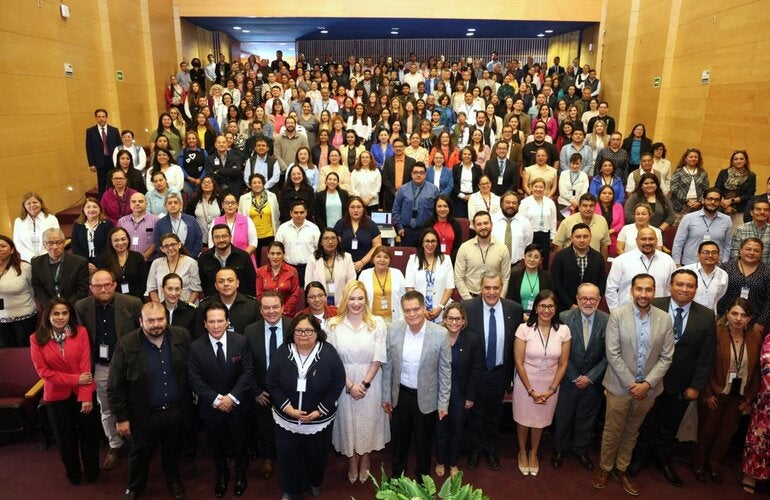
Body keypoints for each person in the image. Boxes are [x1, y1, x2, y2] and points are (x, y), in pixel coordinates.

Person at [630, 270, 717, 486]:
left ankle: (663, 460)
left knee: (670, 426)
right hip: (649, 379)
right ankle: (639, 458)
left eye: (689, 286)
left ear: (695, 290)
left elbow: (706, 356)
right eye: (680, 284)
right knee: (646, 422)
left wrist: (696, 386)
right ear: (670, 285)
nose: (684, 289)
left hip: (681, 384)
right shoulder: (653, 305)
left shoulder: (706, 316)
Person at [592, 274, 674, 497]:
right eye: (639, 289)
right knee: (612, 430)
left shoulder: (664, 319)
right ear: (632, 291)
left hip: (648, 390)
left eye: (648, 290)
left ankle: (622, 468)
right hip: (619, 387)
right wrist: (632, 384)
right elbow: (613, 352)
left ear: (654, 291)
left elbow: (666, 357)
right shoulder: (618, 315)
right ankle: (605, 468)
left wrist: (646, 384)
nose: (643, 294)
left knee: (632, 431)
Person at [108, 302, 192, 500]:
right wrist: (121, 418)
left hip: (174, 410)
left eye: (160, 319)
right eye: (150, 320)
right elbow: (114, 385)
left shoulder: (182, 337)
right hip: (143, 413)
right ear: (141, 321)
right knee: (140, 453)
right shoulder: (126, 344)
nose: (156, 324)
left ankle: (174, 481)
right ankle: (135, 487)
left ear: (167, 319)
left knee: (172, 450)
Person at [266, 313, 346, 499]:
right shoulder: (283, 351)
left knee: (316, 457)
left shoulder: (328, 353)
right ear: (292, 333)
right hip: (287, 420)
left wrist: (319, 411)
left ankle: (314, 482)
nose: (303, 334)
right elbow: (271, 382)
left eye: (308, 330)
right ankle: (289, 489)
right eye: (299, 330)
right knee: (287, 458)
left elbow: (338, 383)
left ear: (317, 333)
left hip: (318, 422)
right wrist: (288, 409)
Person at [74, 269, 143, 470]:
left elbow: (141, 335)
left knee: (134, 404)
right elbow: (80, 340)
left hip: (129, 365)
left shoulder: (132, 303)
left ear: (114, 284)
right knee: (106, 408)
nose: (103, 289)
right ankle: (115, 444)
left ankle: (137, 441)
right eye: (97, 286)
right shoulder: (81, 306)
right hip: (101, 366)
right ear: (91, 288)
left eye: (107, 285)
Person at [382, 291, 451, 480]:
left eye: (416, 309)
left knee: (423, 444)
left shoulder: (440, 333)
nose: (412, 314)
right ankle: (397, 477)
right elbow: (387, 366)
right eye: (407, 310)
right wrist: (386, 396)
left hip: (427, 398)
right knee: (399, 442)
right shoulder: (393, 329)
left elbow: (445, 372)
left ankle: (422, 480)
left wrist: (443, 403)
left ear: (424, 308)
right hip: (401, 396)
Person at [30, 298, 100, 485]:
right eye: (56, 313)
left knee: (89, 436)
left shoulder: (81, 332)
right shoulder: (36, 339)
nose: (61, 317)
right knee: (64, 440)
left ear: (70, 315)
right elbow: (43, 372)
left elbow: (86, 365)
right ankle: (73, 473)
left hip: (83, 394)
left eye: (65, 313)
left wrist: (86, 397)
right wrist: (75, 379)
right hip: (56, 397)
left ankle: (93, 471)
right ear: (48, 315)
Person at [325, 281, 389, 484]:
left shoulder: (377, 322)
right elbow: (332, 360)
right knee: (348, 422)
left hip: (370, 380)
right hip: (344, 382)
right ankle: (352, 460)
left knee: (369, 422)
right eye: (352, 298)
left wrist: (364, 384)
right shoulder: (332, 324)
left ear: (366, 300)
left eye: (360, 298)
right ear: (345, 299)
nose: (356, 303)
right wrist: (350, 385)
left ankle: (366, 457)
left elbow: (378, 357)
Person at [188, 301, 254, 498]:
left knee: (240, 444)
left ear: (227, 322)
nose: (216, 325)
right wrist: (217, 400)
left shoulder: (241, 341)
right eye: (211, 321)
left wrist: (232, 398)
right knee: (216, 446)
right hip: (211, 409)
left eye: (220, 321)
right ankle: (222, 475)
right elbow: (194, 379)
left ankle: (241, 475)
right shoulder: (195, 347)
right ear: (205, 324)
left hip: (238, 406)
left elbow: (248, 372)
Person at [691, 298, 758, 484]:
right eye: (734, 313)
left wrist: (750, 397)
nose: (738, 319)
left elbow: (757, 371)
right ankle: (698, 463)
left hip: (738, 397)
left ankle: (714, 465)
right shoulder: (716, 333)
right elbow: (704, 365)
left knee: (726, 434)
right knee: (707, 431)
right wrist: (707, 393)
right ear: (727, 314)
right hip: (715, 393)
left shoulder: (755, 338)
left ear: (750, 318)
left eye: (744, 315)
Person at [462, 272, 523, 471]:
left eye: (495, 288)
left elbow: (516, 343)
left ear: (501, 287)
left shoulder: (513, 309)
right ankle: (475, 450)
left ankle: (490, 450)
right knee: (475, 414)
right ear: (480, 288)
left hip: (499, 372)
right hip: (475, 373)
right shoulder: (468, 308)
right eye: (487, 287)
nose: (491, 292)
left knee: (494, 414)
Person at [512, 290, 570, 476]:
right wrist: (530, 390)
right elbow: (518, 362)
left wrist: (552, 389)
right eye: (542, 306)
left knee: (540, 420)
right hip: (525, 381)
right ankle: (522, 451)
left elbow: (563, 364)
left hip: (550, 383)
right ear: (536, 308)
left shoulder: (563, 330)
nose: (546, 310)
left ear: (555, 309)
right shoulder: (524, 329)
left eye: (550, 306)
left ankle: (534, 452)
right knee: (523, 418)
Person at [552, 283, 608, 471]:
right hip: (568, 379)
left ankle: (580, 449)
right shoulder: (564, 317)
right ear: (577, 299)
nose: (588, 302)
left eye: (592, 299)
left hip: (593, 382)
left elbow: (609, 355)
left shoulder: (608, 320)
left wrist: (590, 377)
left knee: (587, 417)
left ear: (599, 300)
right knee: (563, 417)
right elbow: (558, 350)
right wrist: (575, 376)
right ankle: (559, 449)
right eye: (584, 298)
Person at [243, 291, 291, 480]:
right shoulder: (250, 330)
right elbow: (247, 365)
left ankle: (288, 458)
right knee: (264, 426)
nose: (271, 311)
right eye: (266, 308)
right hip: (262, 390)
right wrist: (255, 390)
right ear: (260, 310)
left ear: (283, 308)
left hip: (289, 390)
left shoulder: (293, 327)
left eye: (275, 307)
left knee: (288, 426)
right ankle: (267, 457)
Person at [434, 302, 483, 477]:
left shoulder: (472, 340)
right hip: (439, 390)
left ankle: (453, 462)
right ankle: (440, 460)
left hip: (461, 392)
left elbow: (477, 370)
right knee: (440, 429)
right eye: (450, 318)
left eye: (458, 319)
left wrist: (470, 397)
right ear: (444, 319)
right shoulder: (436, 337)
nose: (454, 322)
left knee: (457, 429)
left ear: (463, 321)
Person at [605, 228, 676, 310]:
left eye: (651, 239)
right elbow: (611, 289)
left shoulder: (668, 260)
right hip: (627, 313)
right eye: (643, 239)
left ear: (657, 240)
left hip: (659, 313)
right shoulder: (621, 261)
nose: (647, 242)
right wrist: (616, 313)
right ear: (636, 240)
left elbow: (672, 288)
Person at [739, 319, 770, 495]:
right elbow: (767, 370)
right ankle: (751, 476)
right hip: (766, 407)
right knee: (759, 444)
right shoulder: (769, 340)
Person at [550, 223, 607, 312]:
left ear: (590, 237)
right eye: (578, 237)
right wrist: (570, 305)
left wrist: (592, 302)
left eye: (585, 236)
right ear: (571, 238)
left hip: (590, 307)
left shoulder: (598, 257)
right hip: (564, 308)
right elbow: (556, 283)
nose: (582, 240)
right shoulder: (561, 256)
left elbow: (602, 283)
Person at [454, 211, 511, 299]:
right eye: (479, 224)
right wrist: (469, 300)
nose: (483, 227)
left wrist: (500, 299)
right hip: (470, 298)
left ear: (491, 224)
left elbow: (505, 278)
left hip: (495, 298)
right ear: (474, 226)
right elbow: (458, 278)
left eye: (486, 223)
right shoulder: (464, 248)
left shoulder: (502, 249)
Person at [671, 188, 732, 266]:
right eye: (710, 199)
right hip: (690, 264)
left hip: (716, 265)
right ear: (703, 200)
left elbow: (728, 245)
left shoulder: (726, 220)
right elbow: (678, 242)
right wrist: (676, 263)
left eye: (716, 200)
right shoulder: (689, 218)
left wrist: (724, 264)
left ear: (720, 202)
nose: (713, 202)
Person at [404, 228, 455, 322]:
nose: (430, 244)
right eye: (427, 241)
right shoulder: (413, 260)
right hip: (418, 311)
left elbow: (450, 287)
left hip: (441, 310)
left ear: (437, 243)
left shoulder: (446, 260)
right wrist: (422, 309)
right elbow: (409, 287)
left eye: (433, 241)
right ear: (422, 243)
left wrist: (440, 308)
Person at [717, 238, 770, 327]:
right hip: (725, 319)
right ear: (740, 250)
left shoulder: (767, 272)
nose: (751, 253)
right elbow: (717, 293)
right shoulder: (726, 268)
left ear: (761, 254)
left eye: (756, 250)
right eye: (748, 249)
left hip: (754, 321)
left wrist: (761, 323)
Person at [194, 267, 260, 338]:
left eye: (230, 280)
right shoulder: (205, 306)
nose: (226, 284)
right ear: (216, 286)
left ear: (237, 283)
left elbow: (256, 333)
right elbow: (200, 334)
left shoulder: (252, 305)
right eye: (221, 281)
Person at [31, 228, 89, 306]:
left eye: (58, 242)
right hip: (49, 309)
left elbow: (82, 290)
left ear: (64, 243)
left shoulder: (79, 262)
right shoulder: (37, 263)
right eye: (50, 243)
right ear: (44, 244)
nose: (55, 247)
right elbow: (38, 289)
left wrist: (66, 307)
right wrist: (51, 306)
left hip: (73, 308)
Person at [198, 224, 257, 299]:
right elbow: (203, 285)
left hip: (240, 303)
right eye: (217, 237)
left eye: (224, 236)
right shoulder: (204, 258)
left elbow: (252, 283)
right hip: (214, 304)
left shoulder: (243, 256)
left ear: (230, 237)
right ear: (212, 239)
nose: (221, 240)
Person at [0, 235, 36, 347]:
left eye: (3, 246)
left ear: (12, 250)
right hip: (1, 320)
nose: (0, 249)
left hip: (25, 317)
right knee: (6, 354)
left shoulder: (24, 267)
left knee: (23, 352)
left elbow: (33, 288)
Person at [146, 233, 202, 304]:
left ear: (179, 245)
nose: (170, 248)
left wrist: (188, 308)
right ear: (162, 249)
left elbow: (196, 290)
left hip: (187, 306)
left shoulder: (191, 263)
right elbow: (152, 289)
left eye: (173, 244)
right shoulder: (156, 263)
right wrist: (160, 308)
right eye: (166, 246)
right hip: (163, 308)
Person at [304, 229, 356, 306]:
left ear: (338, 241)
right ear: (321, 242)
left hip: (343, 303)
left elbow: (351, 283)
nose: (330, 241)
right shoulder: (313, 259)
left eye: (333, 238)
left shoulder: (347, 257)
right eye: (326, 238)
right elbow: (308, 285)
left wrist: (341, 304)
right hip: (318, 304)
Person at [274, 200, 321, 285]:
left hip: (309, 267)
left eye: (301, 212)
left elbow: (319, 249)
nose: (299, 215)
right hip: (288, 267)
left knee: (308, 293)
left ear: (306, 212)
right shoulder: (283, 228)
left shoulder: (314, 228)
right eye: (296, 212)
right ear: (291, 213)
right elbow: (277, 248)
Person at [392, 162, 439, 247]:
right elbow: (396, 210)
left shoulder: (434, 190)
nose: (418, 175)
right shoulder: (402, 189)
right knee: (407, 256)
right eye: (415, 172)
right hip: (407, 230)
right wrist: (399, 226)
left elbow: (437, 211)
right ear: (411, 174)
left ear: (425, 174)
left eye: (421, 173)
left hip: (426, 231)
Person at [553, 193, 611, 259]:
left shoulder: (602, 221)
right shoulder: (567, 221)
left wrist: (602, 265)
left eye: (591, 206)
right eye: (585, 205)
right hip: (571, 263)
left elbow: (604, 246)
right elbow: (558, 244)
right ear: (579, 207)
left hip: (594, 263)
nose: (588, 209)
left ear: (595, 207)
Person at [239, 173, 281, 264]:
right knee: (255, 262)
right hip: (252, 235)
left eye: (259, 182)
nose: (257, 185)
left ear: (263, 184)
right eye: (254, 183)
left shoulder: (272, 196)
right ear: (250, 185)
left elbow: (277, 215)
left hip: (269, 234)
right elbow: (241, 217)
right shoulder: (243, 198)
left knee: (270, 261)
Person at [97, 227, 148, 300]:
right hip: (113, 300)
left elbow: (144, 282)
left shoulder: (138, 257)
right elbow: (104, 284)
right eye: (116, 240)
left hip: (136, 300)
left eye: (123, 239)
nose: (120, 243)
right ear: (111, 242)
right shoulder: (104, 260)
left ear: (128, 239)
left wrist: (133, 299)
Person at [507, 243, 556, 319]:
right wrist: (521, 315)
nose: (532, 259)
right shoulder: (514, 275)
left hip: (541, 316)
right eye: (529, 256)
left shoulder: (547, 276)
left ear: (541, 260)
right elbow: (510, 299)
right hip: (518, 316)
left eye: (536, 257)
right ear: (524, 257)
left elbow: (551, 299)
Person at [333, 196, 382, 272]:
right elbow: (334, 245)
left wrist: (362, 263)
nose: (355, 210)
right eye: (352, 207)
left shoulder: (371, 225)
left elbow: (377, 246)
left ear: (363, 208)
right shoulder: (340, 224)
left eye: (359, 207)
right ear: (348, 209)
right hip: (343, 266)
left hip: (366, 267)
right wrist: (345, 263)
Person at [359, 246, 406, 322]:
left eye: (386, 257)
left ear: (389, 260)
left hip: (394, 319)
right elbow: (360, 298)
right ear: (373, 259)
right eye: (378, 256)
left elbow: (404, 297)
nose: (382, 260)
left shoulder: (397, 273)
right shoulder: (364, 274)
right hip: (371, 320)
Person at [519, 178, 559, 267]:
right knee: (530, 258)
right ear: (531, 188)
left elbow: (553, 221)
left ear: (544, 189)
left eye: (541, 187)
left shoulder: (550, 202)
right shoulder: (525, 202)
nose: (538, 189)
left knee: (544, 260)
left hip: (545, 235)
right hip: (530, 234)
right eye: (535, 186)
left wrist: (552, 236)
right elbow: (521, 221)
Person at [682, 241, 729, 313]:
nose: (710, 255)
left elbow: (719, 296)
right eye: (706, 252)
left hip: (709, 316)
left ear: (719, 256)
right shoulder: (685, 271)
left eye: (714, 253)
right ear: (698, 255)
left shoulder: (723, 275)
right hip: (686, 313)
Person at [13, 192, 61, 263]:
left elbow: (57, 238)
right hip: (28, 260)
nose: (32, 205)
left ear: (40, 203)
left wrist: (44, 257)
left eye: (35, 202)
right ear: (24, 206)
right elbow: (17, 242)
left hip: (50, 258)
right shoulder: (19, 221)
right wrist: (32, 257)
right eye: (28, 203)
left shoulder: (51, 218)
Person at [256, 241, 301, 317]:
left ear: (283, 255)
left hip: (287, 314)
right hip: (267, 314)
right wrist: (269, 311)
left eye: (278, 253)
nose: (275, 257)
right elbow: (259, 295)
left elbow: (295, 294)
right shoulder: (260, 272)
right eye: (272, 253)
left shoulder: (292, 271)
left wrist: (283, 311)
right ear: (268, 254)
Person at [209, 193, 258, 260]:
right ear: (222, 205)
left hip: (243, 260)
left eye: (233, 203)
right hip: (221, 261)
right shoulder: (215, 222)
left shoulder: (247, 220)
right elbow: (211, 243)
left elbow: (253, 243)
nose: (230, 205)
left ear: (237, 205)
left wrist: (241, 257)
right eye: (227, 203)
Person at [71, 197, 114, 272]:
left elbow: (109, 245)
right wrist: (86, 263)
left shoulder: (107, 224)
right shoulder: (78, 224)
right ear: (83, 210)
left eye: (95, 207)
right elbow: (75, 246)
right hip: (83, 264)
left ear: (100, 209)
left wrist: (96, 263)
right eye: (88, 207)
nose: (91, 210)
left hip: (104, 263)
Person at [153, 192, 203, 258]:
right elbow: (158, 244)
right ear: (165, 206)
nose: (173, 205)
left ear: (181, 204)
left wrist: (191, 257)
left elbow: (198, 240)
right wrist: (168, 257)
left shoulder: (191, 220)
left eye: (175, 202)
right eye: (170, 203)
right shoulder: (160, 223)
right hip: (169, 260)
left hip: (190, 259)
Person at [714, 150, 755, 226]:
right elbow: (717, 188)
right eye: (736, 159)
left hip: (739, 211)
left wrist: (731, 201)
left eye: (741, 159)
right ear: (732, 161)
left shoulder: (751, 176)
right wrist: (723, 203)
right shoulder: (724, 172)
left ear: (745, 161)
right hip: (720, 207)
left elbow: (749, 195)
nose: (738, 161)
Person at [85, 108, 121, 196]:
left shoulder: (114, 130)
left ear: (106, 117)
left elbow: (119, 146)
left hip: (113, 161)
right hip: (100, 162)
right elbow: (89, 148)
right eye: (99, 117)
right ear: (96, 118)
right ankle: (102, 206)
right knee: (101, 185)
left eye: (103, 116)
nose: (101, 118)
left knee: (113, 183)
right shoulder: (90, 131)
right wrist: (91, 164)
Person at [117, 193, 158, 261]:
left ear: (146, 203)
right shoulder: (122, 222)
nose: (137, 204)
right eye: (134, 201)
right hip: (127, 261)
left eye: (140, 201)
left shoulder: (155, 220)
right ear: (129, 204)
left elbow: (157, 241)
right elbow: (119, 241)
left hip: (149, 261)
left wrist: (144, 256)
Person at [669, 148, 710, 217]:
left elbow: (706, 190)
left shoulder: (703, 173)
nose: (693, 159)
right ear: (685, 158)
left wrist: (699, 202)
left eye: (696, 157)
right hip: (680, 205)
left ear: (698, 159)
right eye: (691, 157)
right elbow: (674, 189)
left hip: (697, 207)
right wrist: (687, 201)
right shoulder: (678, 171)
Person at [424, 194, 464, 261]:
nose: (442, 209)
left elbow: (458, 246)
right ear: (435, 208)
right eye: (439, 206)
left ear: (450, 208)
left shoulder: (456, 225)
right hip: (431, 261)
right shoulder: (428, 224)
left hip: (451, 262)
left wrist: (448, 261)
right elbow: (424, 244)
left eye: (445, 206)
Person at [731, 200, 770, 264]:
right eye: (758, 209)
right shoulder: (741, 229)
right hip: (745, 271)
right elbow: (735, 254)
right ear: (751, 212)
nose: (762, 212)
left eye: (765, 210)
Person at [594, 185, 624, 258]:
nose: (607, 195)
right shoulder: (594, 206)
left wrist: (610, 231)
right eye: (604, 193)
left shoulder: (618, 206)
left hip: (613, 237)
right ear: (599, 195)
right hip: (597, 236)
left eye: (610, 193)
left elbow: (621, 223)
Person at [558, 153, 590, 217]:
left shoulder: (584, 175)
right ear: (570, 163)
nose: (575, 166)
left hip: (578, 204)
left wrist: (577, 202)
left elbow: (584, 191)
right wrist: (572, 200)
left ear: (581, 163)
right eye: (573, 163)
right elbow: (562, 191)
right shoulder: (563, 174)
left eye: (577, 164)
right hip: (564, 203)